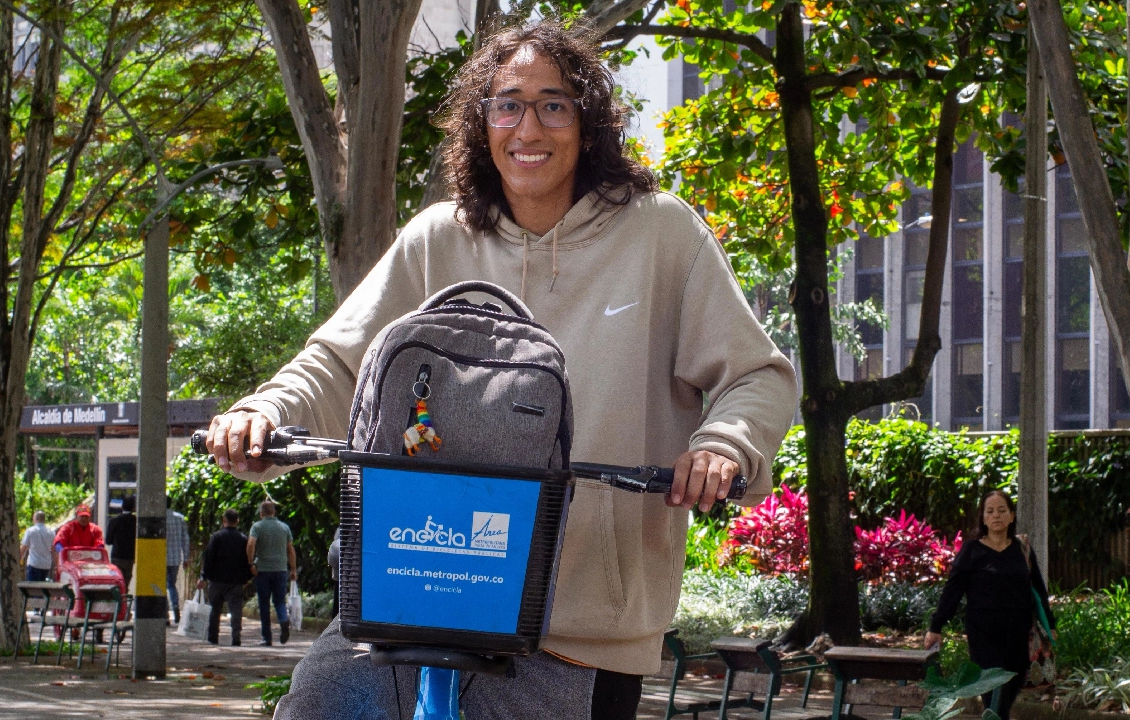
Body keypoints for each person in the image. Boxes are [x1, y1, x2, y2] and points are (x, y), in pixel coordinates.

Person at [203, 20, 796, 719]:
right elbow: (338, 361)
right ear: (482, 123)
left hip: (580, 635)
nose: (528, 127)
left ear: (588, 122)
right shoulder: (436, 238)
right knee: (319, 703)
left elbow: (758, 376)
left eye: (554, 105)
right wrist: (265, 411)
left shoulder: (662, 235)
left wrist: (723, 445)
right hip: (415, 600)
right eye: (508, 104)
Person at [926, 490, 1056, 718]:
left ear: (1012, 516)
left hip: (1018, 634)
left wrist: (1050, 624)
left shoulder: (1022, 548)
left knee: (1011, 688)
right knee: (993, 691)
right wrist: (936, 626)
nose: (996, 515)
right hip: (984, 635)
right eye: (990, 511)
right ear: (983, 518)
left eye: (1002, 510)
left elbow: (1038, 588)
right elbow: (953, 591)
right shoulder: (971, 550)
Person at [197, 508, 251, 646]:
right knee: (236, 610)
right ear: (237, 521)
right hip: (235, 581)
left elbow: (209, 559)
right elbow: (247, 560)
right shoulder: (243, 539)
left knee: (215, 610)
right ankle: (236, 637)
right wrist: (246, 578)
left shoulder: (216, 537)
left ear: (224, 520)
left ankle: (213, 637)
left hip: (217, 580)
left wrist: (203, 577)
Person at [247, 500, 295, 646]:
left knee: (264, 603)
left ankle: (267, 638)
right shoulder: (284, 527)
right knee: (279, 601)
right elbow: (290, 549)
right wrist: (293, 569)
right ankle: (283, 620)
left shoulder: (257, 526)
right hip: (281, 569)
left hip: (263, 570)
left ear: (261, 513)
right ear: (274, 512)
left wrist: (250, 563)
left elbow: (251, 544)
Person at [166, 498, 191, 626]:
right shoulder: (180, 518)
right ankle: (175, 606)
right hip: (175, 558)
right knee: (171, 584)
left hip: (161, 558)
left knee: (161, 586)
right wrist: (185, 558)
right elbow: (185, 539)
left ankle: (165, 613)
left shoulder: (159, 519)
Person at [106, 496, 136, 589]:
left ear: (122, 507)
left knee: (117, 580)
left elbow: (108, 541)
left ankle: (117, 596)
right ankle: (124, 596)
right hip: (129, 556)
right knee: (126, 581)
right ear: (133, 508)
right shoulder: (136, 521)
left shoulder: (114, 520)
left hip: (117, 555)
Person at [20, 511, 55, 582]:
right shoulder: (51, 533)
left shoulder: (30, 531)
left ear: (35, 519)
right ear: (44, 519)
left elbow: (24, 547)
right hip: (46, 564)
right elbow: (54, 550)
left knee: (33, 586)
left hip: (34, 563)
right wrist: (56, 564)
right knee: (42, 585)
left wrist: (19, 559)